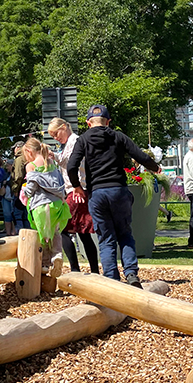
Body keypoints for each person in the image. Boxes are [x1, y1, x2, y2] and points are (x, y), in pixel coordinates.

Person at [67, 104, 161, 288]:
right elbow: (140, 156)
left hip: (97, 193)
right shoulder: (118, 136)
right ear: (108, 122)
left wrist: (77, 187)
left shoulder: (83, 139)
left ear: (88, 123)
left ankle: (112, 279)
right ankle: (131, 273)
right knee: (124, 234)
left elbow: (71, 166)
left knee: (106, 238)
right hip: (119, 190)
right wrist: (155, 168)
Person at [48, 117, 100, 273]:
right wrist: (54, 156)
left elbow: (73, 165)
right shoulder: (70, 143)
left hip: (76, 190)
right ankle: (94, 270)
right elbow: (65, 161)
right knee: (83, 232)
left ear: (64, 127)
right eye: (52, 136)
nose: (56, 138)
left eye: (56, 134)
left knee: (62, 228)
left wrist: (77, 186)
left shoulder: (75, 141)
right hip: (77, 190)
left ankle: (75, 269)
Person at [21, 138, 71, 275]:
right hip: (57, 204)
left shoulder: (31, 166)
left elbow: (31, 187)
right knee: (55, 232)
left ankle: (44, 264)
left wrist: (24, 192)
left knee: (42, 235)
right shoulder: (50, 162)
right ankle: (57, 255)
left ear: (29, 151)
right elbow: (58, 180)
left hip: (40, 205)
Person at [11, 141, 30, 231]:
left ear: (18, 148)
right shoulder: (28, 157)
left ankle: (20, 234)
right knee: (26, 215)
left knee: (18, 214)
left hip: (21, 190)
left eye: (14, 148)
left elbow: (18, 176)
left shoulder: (19, 159)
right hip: (28, 188)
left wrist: (15, 189)